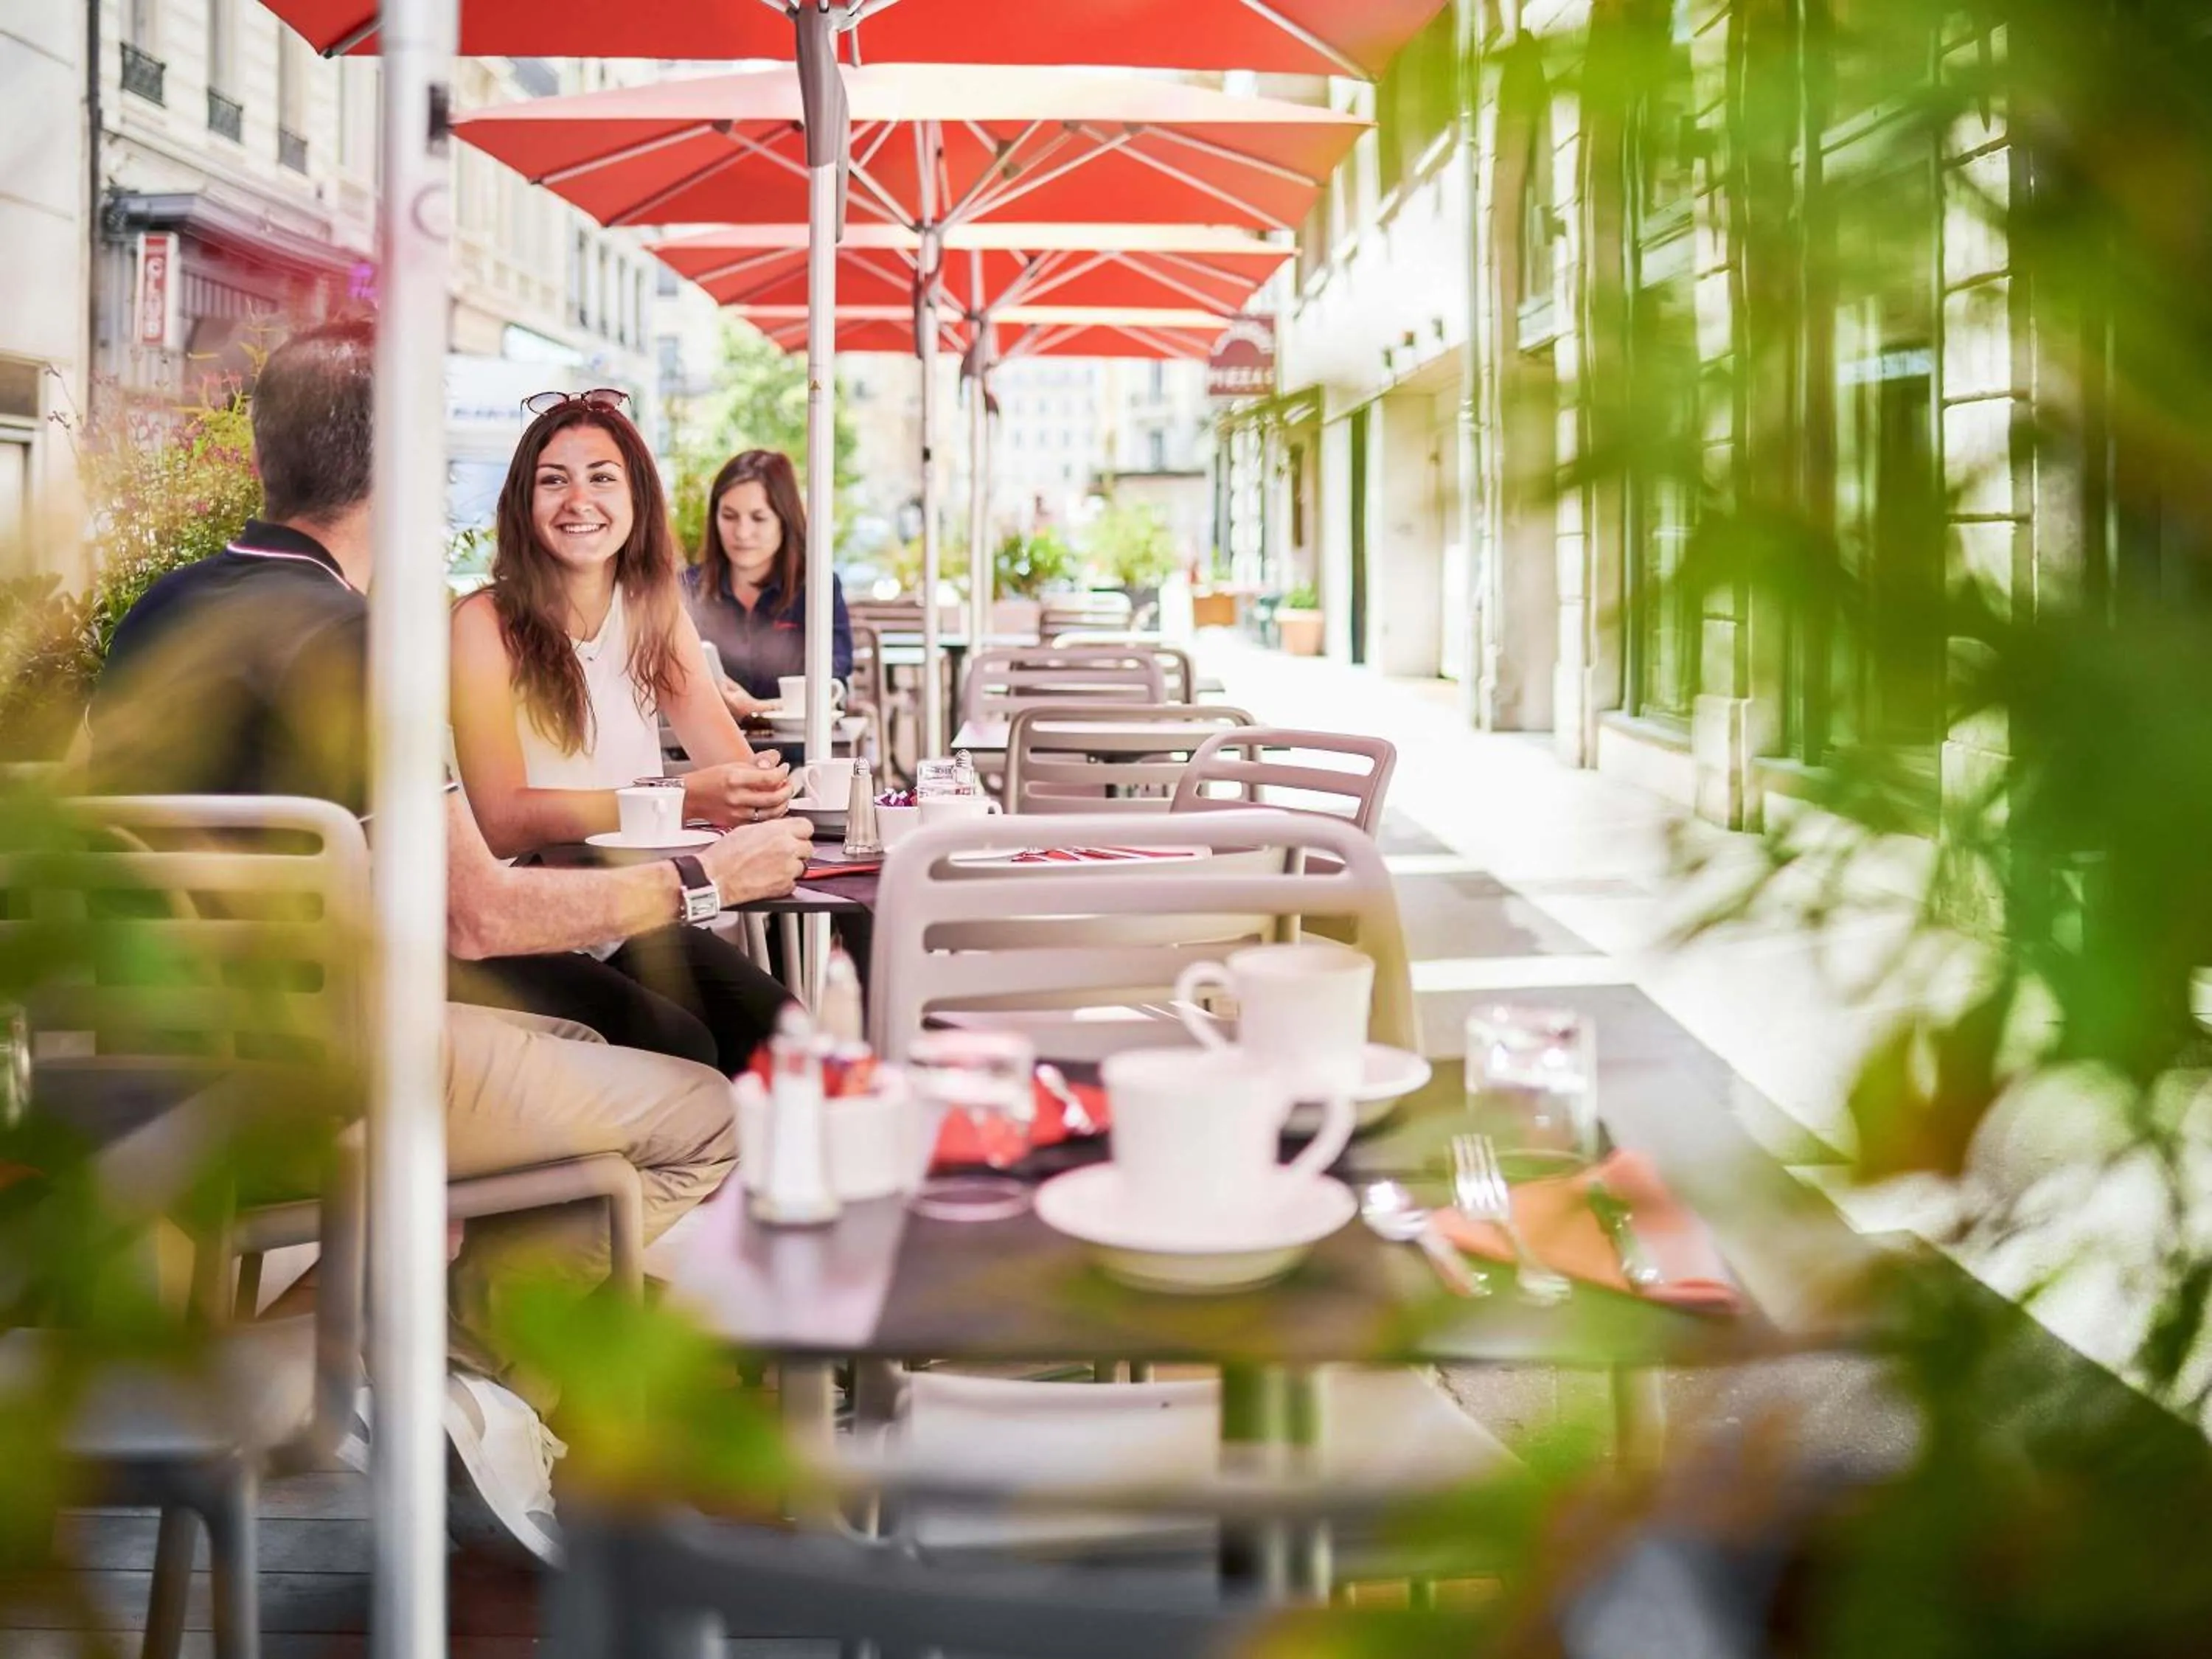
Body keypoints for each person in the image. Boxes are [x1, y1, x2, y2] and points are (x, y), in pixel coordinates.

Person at [88, 318, 814, 1566]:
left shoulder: (159, 614)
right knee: (709, 1109)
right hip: (329, 1081)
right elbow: (477, 910)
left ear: (267, 462)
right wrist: (706, 877)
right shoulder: (361, 646)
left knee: (600, 1032)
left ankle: (437, 1367)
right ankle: (464, 1380)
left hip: (142, 1082)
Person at [448, 393, 796, 1076]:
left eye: (602, 477)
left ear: (637, 499)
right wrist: (682, 797)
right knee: (682, 1048)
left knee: (783, 1036)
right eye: (555, 480)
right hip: (529, 916)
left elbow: (727, 765)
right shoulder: (484, 624)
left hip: (633, 910)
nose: (580, 499)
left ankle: (774, 1183)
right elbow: (501, 822)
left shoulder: (654, 613)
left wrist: (764, 788)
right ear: (524, 502)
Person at [684, 448, 854, 713]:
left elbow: (835, 689)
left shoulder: (818, 590)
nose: (742, 532)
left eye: (759, 518)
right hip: (706, 753)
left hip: (798, 752)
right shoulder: (686, 589)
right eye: (729, 516)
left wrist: (759, 708)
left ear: (784, 520)